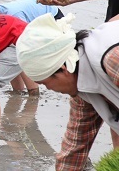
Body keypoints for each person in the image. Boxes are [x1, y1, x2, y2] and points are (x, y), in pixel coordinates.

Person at [16, 13, 119, 170]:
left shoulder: (112, 59)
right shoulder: (81, 89)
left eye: (45, 83)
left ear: (63, 69)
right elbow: (75, 145)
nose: (49, 89)